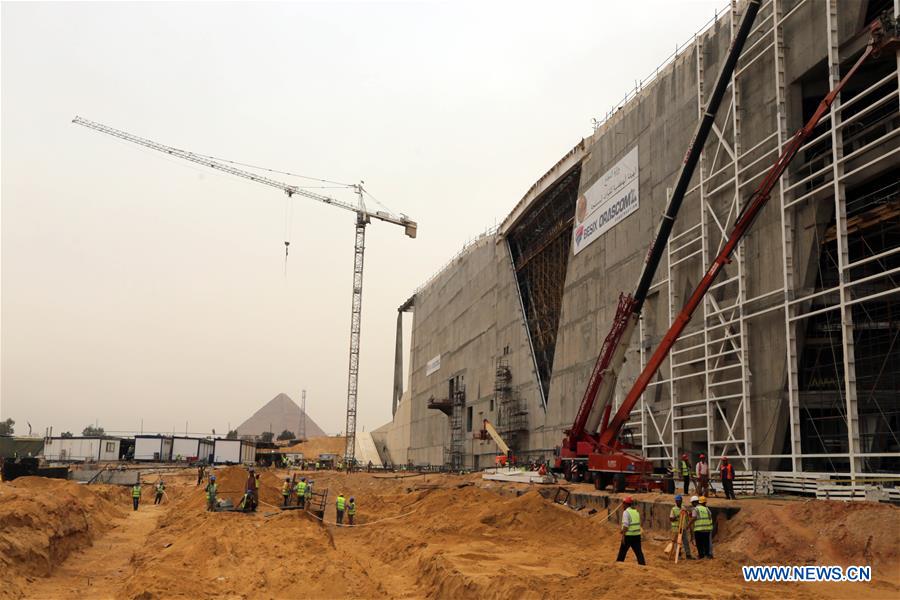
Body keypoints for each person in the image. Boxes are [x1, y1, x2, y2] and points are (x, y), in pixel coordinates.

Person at [615, 497, 645, 565]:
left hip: (629, 536)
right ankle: (642, 565)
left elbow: (626, 525)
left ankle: (618, 565)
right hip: (637, 535)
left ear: (625, 504)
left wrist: (623, 535)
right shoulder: (636, 512)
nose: (622, 505)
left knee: (622, 552)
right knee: (639, 552)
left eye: (623, 504)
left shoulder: (626, 512)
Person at [669, 495, 693, 560]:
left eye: (679, 501)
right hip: (676, 529)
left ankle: (688, 555)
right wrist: (678, 516)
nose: (678, 502)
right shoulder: (673, 509)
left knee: (686, 541)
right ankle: (678, 555)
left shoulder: (683, 508)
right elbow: (671, 519)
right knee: (678, 542)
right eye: (677, 501)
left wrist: (688, 514)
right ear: (676, 501)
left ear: (681, 501)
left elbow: (687, 516)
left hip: (683, 528)